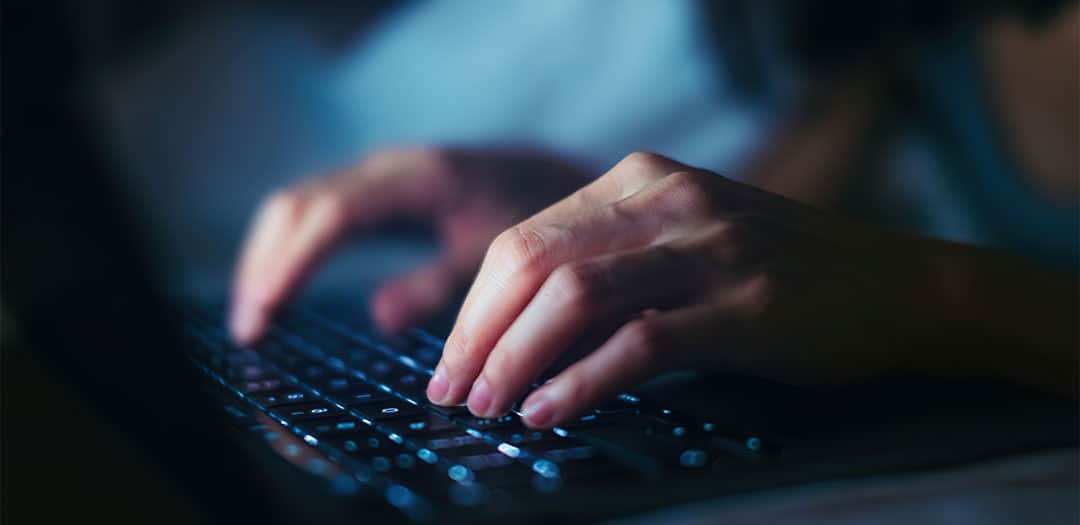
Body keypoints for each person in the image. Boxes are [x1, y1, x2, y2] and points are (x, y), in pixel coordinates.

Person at [228, 6, 1078, 430]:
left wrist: (940, 294)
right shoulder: (919, 36)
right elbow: (797, 243)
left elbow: (883, 275)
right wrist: (585, 219)